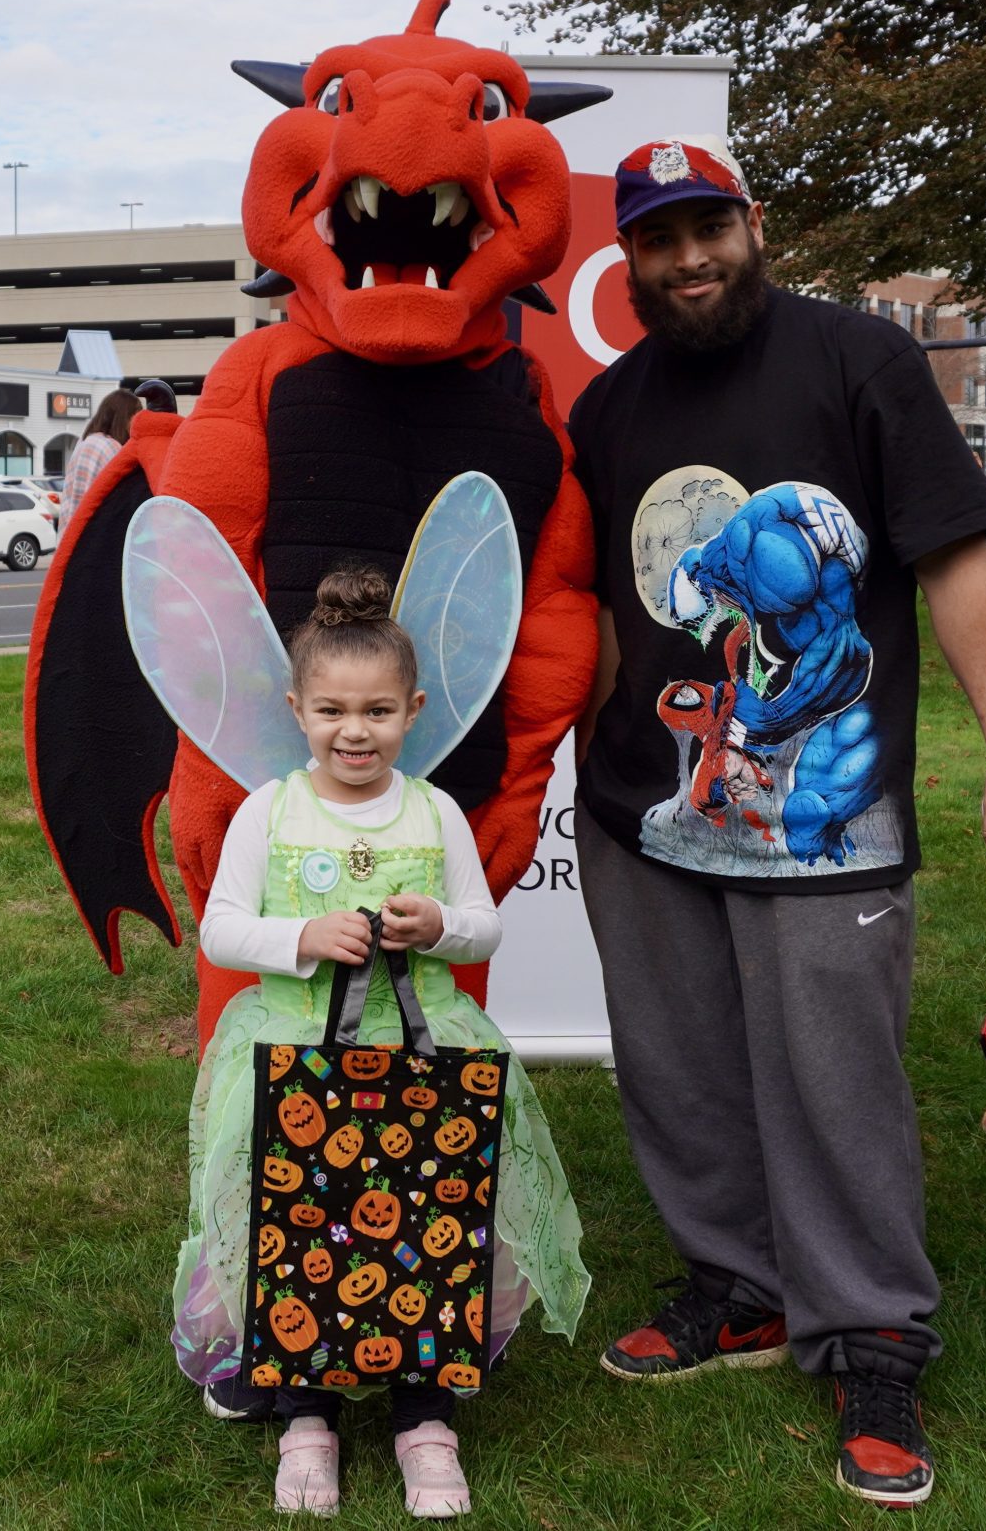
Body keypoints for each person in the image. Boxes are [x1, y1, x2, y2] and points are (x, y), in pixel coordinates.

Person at [566, 135, 986, 1510]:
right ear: (628, 260)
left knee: (833, 1075)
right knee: (677, 1072)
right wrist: (564, 779)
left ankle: (872, 1335)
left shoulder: (862, 361)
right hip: (645, 805)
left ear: (752, 223)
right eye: (658, 240)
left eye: (706, 228)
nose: (687, 259)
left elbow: (956, 562)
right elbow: (605, 621)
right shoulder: (607, 411)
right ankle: (736, 1286)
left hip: (826, 818)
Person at [177, 567, 587, 1519]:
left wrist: (437, 922)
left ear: (413, 710)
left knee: (423, 1217)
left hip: (419, 1056)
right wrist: (302, 937)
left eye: (375, 711)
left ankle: (423, 1415)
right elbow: (221, 928)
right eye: (330, 710)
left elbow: (485, 927)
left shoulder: (432, 811)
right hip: (294, 1055)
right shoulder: (269, 811)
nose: (352, 731)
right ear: (297, 709)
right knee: (300, 1224)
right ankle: (305, 1413)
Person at [58, 388, 141, 527]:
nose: (138, 423)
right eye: (136, 417)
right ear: (124, 417)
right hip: (93, 536)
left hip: (71, 533)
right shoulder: (109, 448)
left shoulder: (84, 442)